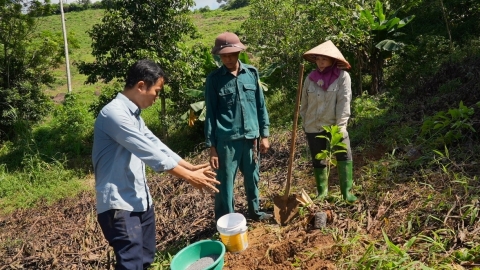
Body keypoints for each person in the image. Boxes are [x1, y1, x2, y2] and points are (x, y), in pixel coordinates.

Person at [92, 59, 220, 270]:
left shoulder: (134, 116)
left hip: (140, 201)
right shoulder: (114, 114)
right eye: (157, 91)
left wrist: (190, 167)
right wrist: (189, 177)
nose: (157, 97)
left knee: (145, 260)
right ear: (141, 86)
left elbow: (155, 143)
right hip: (119, 205)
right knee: (131, 264)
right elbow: (148, 152)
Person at [204, 32, 272, 221]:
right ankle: (226, 220)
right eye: (224, 55)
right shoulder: (214, 79)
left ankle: (255, 213)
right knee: (225, 184)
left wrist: (264, 135)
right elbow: (210, 113)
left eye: (231, 54)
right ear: (219, 56)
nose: (228, 58)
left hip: (251, 138)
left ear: (238, 53)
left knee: (253, 179)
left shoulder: (251, 73)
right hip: (226, 141)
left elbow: (260, 105)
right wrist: (212, 148)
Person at [300, 40, 357, 203]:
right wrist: (306, 122)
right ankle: (322, 192)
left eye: (324, 58)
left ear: (333, 60)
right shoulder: (310, 78)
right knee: (318, 158)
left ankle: (347, 193)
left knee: (344, 155)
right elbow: (304, 103)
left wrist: (340, 126)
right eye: (318, 59)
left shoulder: (342, 77)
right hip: (313, 125)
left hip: (335, 125)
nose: (321, 62)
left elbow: (344, 102)